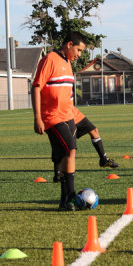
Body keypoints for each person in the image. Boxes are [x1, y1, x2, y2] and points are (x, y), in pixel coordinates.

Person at [32, 31, 85, 210]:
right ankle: (71, 196)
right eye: (79, 50)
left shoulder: (68, 63)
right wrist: (38, 118)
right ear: (69, 44)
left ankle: (64, 201)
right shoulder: (49, 59)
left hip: (67, 116)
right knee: (70, 149)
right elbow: (36, 87)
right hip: (52, 117)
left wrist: (74, 116)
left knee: (66, 155)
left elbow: (66, 94)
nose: (80, 54)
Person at [52, 106, 119, 182]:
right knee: (63, 143)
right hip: (62, 113)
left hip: (73, 111)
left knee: (94, 130)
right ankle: (58, 174)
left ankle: (103, 160)